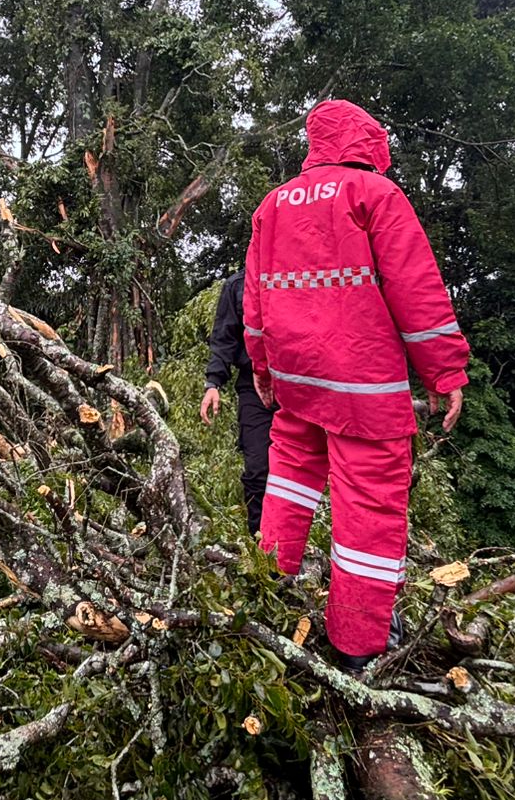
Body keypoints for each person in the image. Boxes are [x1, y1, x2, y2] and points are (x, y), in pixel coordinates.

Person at [244, 100, 469, 671]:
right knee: (369, 510)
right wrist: (444, 371)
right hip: (363, 388)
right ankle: (357, 645)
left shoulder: (272, 206)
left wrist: (263, 369)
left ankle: (264, 595)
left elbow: (256, 301)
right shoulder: (375, 196)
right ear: (368, 143)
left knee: (287, 487)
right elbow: (416, 291)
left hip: (298, 383)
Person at [200, 270, 273, 535]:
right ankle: (260, 543)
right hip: (253, 387)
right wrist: (213, 384)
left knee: (302, 466)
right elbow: (223, 339)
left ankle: (297, 544)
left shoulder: (299, 278)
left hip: (298, 386)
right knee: (257, 468)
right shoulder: (237, 285)